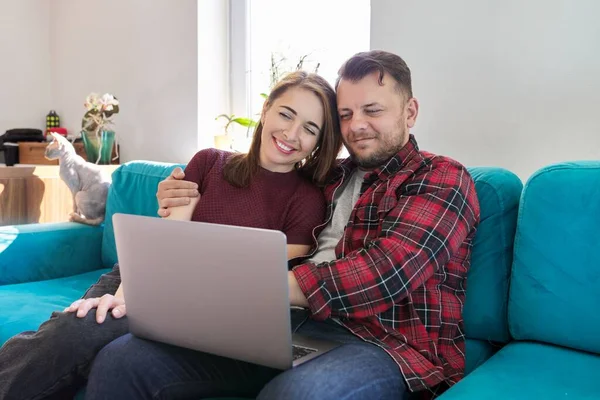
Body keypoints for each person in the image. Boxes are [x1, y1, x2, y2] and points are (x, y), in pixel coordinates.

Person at [84, 50, 481, 400]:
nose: (357, 125)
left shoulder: (441, 177)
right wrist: (179, 194)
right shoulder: (328, 176)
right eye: (345, 114)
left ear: (409, 111)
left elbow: (385, 273)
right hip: (282, 328)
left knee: (296, 394)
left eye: (373, 110)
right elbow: (259, 182)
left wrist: (239, 281)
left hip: (385, 344)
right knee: (123, 360)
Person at [0, 71, 343, 400]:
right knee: (69, 329)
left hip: (212, 306)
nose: (292, 133)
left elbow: (262, 281)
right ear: (266, 110)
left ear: (317, 142)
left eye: (309, 129)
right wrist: (126, 295)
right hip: (147, 276)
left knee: (82, 333)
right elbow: (167, 241)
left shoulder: (307, 200)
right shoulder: (210, 163)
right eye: (286, 114)